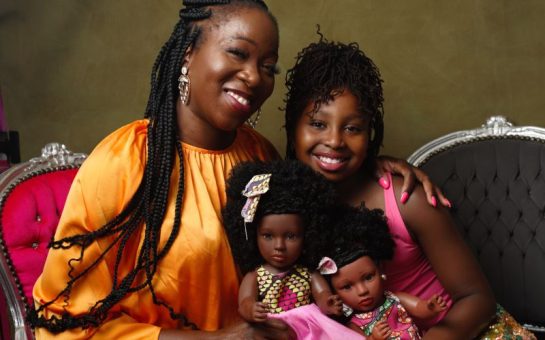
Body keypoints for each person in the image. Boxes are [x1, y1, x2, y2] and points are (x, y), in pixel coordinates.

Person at [29, 1, 446, 338]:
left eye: (268, 66)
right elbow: (67, 321)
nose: (254, 77)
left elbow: (314, 210)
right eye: (238, 52)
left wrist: (374, 164)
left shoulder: (259, 156)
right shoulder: (127, 160)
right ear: (188, 53)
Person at [284, 33, 538, 339]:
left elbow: (477, 300)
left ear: (370, 134)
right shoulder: (284, 204)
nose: (335, 141)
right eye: (318, 124)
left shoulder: (406, 197)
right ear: (292, 125)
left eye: (353, 128)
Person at [223, 159, 362, 339]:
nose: (279, 246)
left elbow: (321, 292)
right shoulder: (255, 275)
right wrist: (251, 309)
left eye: (290, 236)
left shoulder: (307, 273)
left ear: (308, 235)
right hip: (272, 328)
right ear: (253, 236)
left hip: (310, 325)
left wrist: (327, 302)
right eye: (268, 236)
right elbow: (245, 301)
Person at [319, 205, 447, 339]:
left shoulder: (394, 298)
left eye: (368, 277)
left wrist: (430, 307)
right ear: (335, 293)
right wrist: (373, 338)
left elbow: (419, 308)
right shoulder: (354, 324)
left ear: (380, 270)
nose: (362, 291)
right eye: (347, 287)